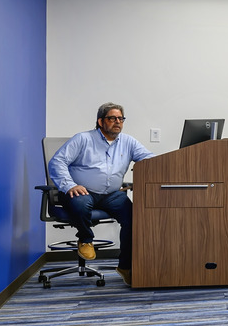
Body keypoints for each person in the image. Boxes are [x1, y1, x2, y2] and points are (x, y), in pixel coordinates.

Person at [47, 102, 154, 285]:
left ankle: (125, 266)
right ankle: (86, 239)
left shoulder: (128, 142)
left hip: (112, 195)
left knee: (135, 219)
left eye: (120, 118)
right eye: (112, 118)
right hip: (81, 191)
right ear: (100, 121)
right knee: (80, 202)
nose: (117, 122)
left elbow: (151, 161)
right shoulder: (83, 139)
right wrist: (70, 185)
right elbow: (57, 162)